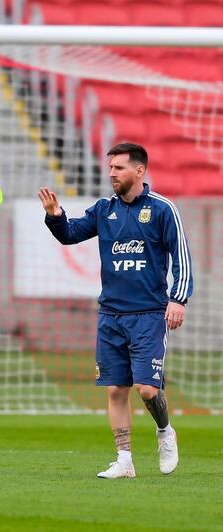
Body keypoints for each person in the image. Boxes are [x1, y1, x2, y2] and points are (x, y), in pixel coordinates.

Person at [38, 142, 192, 479]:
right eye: (110, 168)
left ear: (139, 170)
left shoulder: (163, 209)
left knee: (147, 389)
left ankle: (165, 431)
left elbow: (182, 257)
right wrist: (55, 216)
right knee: (115, 389)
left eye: (118, 168)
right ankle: (124, 461)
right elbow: (71, 234)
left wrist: (178, 299)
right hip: (111, 315)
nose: (111, 174)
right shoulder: (103, 209)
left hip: (150, 314)